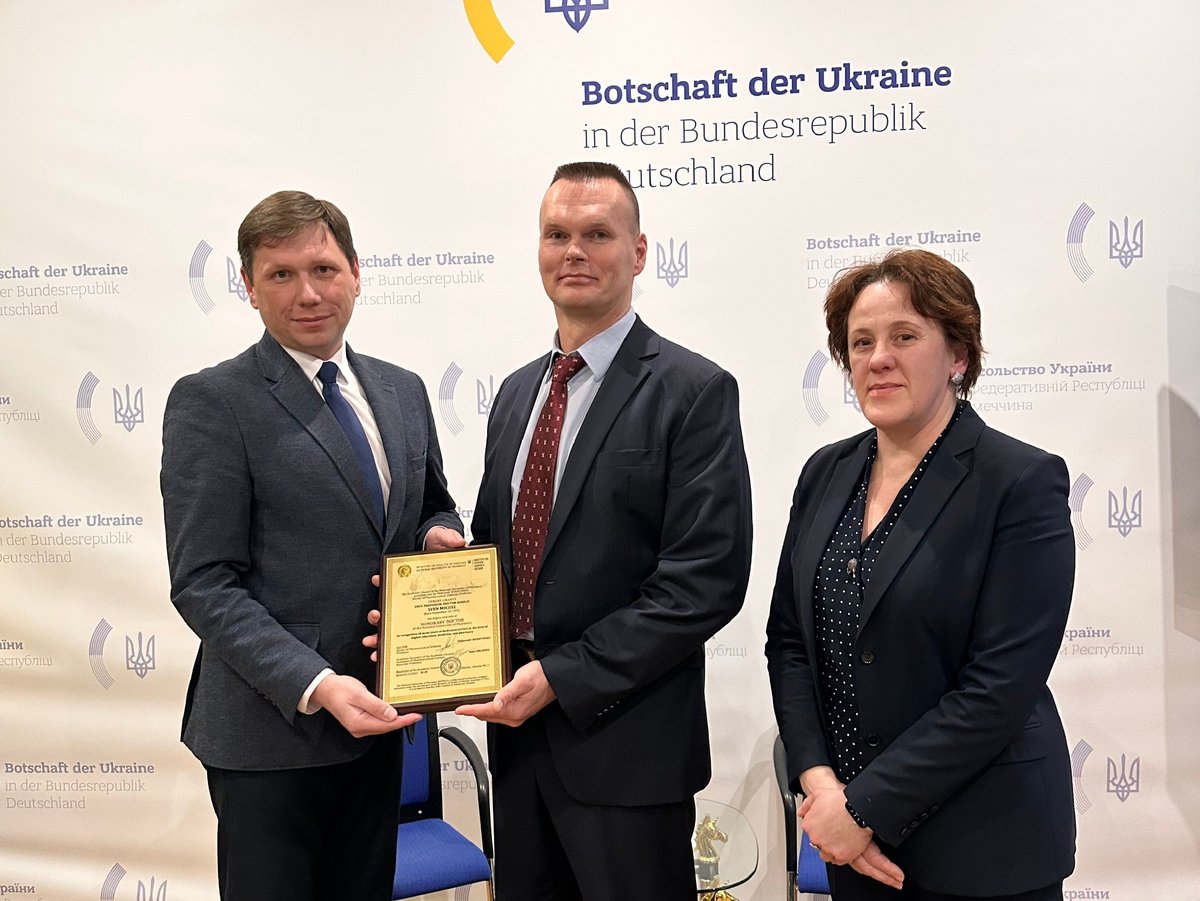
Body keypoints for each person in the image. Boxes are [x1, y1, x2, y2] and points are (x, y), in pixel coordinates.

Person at [457, 161, 753, 899]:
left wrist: (561, 676)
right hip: (517, 743)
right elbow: (504, 546)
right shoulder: (517, 393)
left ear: (640, 251)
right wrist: (451, 580)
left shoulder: (693, 390)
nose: (574, 251)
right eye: (557, 234)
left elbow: (704, 582)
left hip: (627, 751)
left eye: (598, 233)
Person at [161, 190, 464, 901]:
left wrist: (438, 537)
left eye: (324, 269)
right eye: (281, 274)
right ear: (249, 285)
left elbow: (428, 506)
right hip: (272, 737)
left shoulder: (403, 390)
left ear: (357, 271)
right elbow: (204, 580)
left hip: (381, 723)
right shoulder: (213, 401)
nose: (308, 293)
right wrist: (317, 684)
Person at [765, 249, 1076, 900]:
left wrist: (862, 807)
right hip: (854, 845)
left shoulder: (1020, 482)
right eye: (861, 341)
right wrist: (820, 785)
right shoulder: (824, 474)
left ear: (958, 354)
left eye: (904, 336)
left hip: (983, 850)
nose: (878, 357)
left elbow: (996, 690)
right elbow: (791, 644)